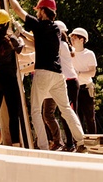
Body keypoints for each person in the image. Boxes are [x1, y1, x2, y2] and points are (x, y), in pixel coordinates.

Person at [0, 0, 86, 152]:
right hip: (58, 76)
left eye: (38, 10)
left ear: (43, 11)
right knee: (66, 110)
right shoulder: (55, 30)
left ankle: (44, 147)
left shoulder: (39, 25)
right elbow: (35, 44)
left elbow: (17, 8)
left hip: (44, 73)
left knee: (36, 111)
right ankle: (82, 140)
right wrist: (21, 31)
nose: (36, 12)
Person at [0, 9, 24, 147]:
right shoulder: (11, 39)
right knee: (13, 113)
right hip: (9, 79)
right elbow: (20, 48)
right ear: (7, 24)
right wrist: (19, 35)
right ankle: (15, 144)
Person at [41, 20, 80, 151]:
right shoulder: (63, 44)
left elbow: (39, 46)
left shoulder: (60, 44)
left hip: (69, 82)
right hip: (65, 81)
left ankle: (73, 142)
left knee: (68, 113)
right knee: (64, 113)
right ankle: (70, 142)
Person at [69, 27, 97, 134]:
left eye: (75, 38)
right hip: (73, 88)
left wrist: (79, 74)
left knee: (90, 116)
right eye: (71, 38)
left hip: (86, 88)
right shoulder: (70, 52)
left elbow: (92, 72)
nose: (72, 40)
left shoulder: (89, 54)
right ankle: (79, 141)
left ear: (82, 40)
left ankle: (93, 140)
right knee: (76, 117)